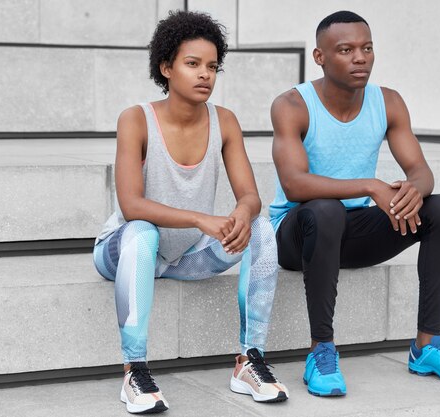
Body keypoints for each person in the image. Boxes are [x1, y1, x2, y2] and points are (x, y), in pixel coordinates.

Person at [269, 10, 440, 397]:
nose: (360, 58)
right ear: (320, 57)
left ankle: (427, 345)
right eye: (346, 49)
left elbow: (420, 170)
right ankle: (321, 350)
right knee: (325, 209)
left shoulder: (388, 102)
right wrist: (371, 184)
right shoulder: (292, 105)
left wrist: (413, 190)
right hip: (296, 235)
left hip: (350, 230)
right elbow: (295, 184)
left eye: (367, 48)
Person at [93, 10, 288, 414]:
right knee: (144, 232)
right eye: (192, 64)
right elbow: (132, 206)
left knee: (263, 228)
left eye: (213, 66)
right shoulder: (136, 119)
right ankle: (135, 370)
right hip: (124, 248)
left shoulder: (225, 121)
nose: (205, 75)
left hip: (185, 256)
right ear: (166, 67)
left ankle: (249, 360)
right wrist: (201, 218)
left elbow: (250, 195)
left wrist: (239, 214)